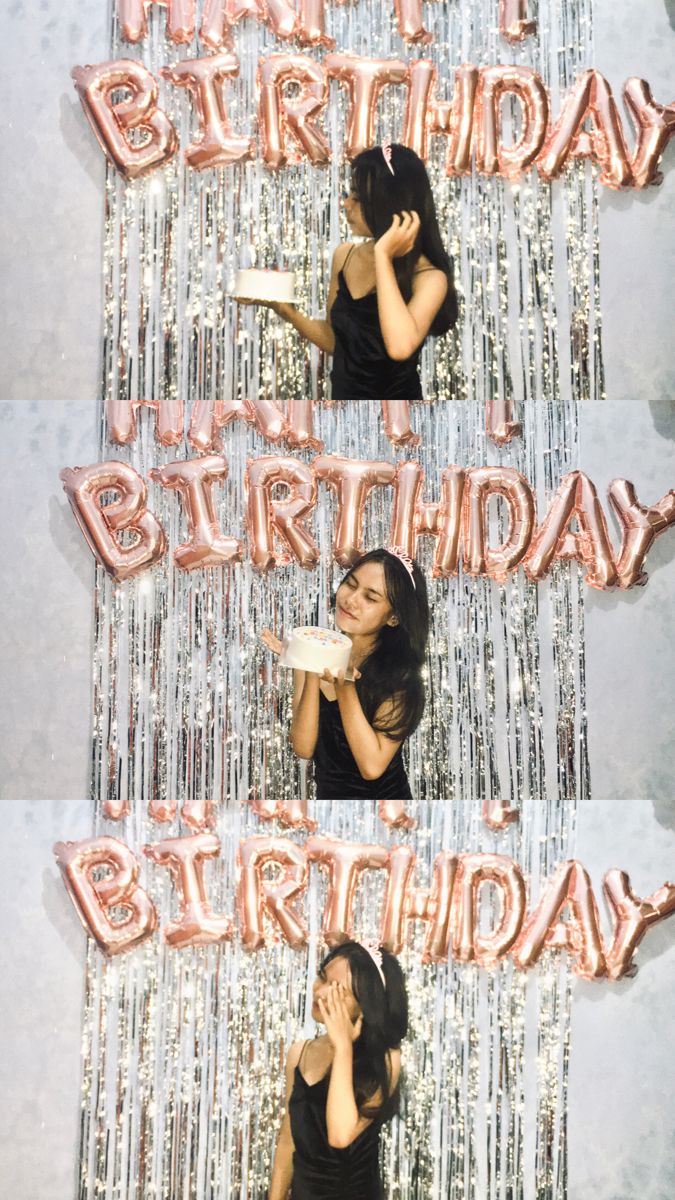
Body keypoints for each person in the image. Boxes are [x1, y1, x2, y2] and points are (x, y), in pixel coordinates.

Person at [239, 144, 458, 399]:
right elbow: (337, 342)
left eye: (357, 197)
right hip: (344, 410)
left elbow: (400, 346)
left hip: (398, 420)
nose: (346, 204)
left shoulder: (431, 277)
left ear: (387, 203)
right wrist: (286, 312)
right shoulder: (344, 255)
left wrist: (383, 256)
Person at [262, 547, 430, 799]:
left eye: (370, 598)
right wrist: (308, 661)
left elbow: (371, 767)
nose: (351, 600)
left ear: (393, 617)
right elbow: (303, 748)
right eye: (350, 584)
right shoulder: (314, 648)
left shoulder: (401, 681)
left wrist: (345, 687)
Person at [268, 941, 408, 1200]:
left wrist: (343, 1046)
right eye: (322, 977)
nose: (320, 992)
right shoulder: (300, 1053)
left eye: (336, 990)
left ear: (365, 1007)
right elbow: (289, 1140)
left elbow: (340, 1134)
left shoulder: (386, 1060)